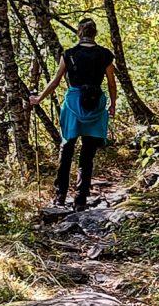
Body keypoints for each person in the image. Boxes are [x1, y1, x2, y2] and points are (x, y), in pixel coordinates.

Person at [30, 18, 117, 210]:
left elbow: (55, 82)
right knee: (87, 154)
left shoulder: (69, 54)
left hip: (73, 104)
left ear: (79, 32)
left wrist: (38, 99)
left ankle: (60, 195)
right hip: (95, 105)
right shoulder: (105, 55)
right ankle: (81, 199)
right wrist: (112, 104)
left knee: (67, 147)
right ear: (95, 34)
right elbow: (111, 83)